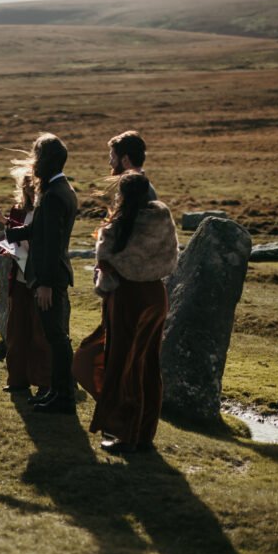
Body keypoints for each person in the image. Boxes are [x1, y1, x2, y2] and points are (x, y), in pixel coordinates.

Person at [76, 171, 178, 454]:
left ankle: (126, 434)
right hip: (156, 296)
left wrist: (104, 284)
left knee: (123, 363)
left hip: (126, 298)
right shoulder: (162, 220)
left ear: (121, 196)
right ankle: (144, 434)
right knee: (147, 365)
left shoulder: (116, 228)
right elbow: (172, 258)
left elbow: (105, 267)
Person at [0, 134, 78, 414]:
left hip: (50, 278)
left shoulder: (53, 196)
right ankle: (55, 391)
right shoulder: (60, 189)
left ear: (44, 160)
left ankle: (62, 396)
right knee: (55, 336)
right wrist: (6, 233)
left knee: (56, 338)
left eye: (35, 156)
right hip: (52, 275)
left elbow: (49, 245)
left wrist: (45, 285)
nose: (32, 162)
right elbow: (38, 230)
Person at [0, 171, 52, 394]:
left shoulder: (46, 211)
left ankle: (43, 382)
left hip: (37, 277)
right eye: (27, 189)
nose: (31, 193)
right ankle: (17, 380)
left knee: (39, 333)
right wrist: (8, 248)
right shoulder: (19, 210)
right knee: (16, 330)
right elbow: (12, 233)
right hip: (19, 277)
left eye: (34, 189)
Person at [107, 130, 157, 201]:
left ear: (125, 160)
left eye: (113, 158)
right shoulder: (145, 188)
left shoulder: (132, 192)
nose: (110, 163)